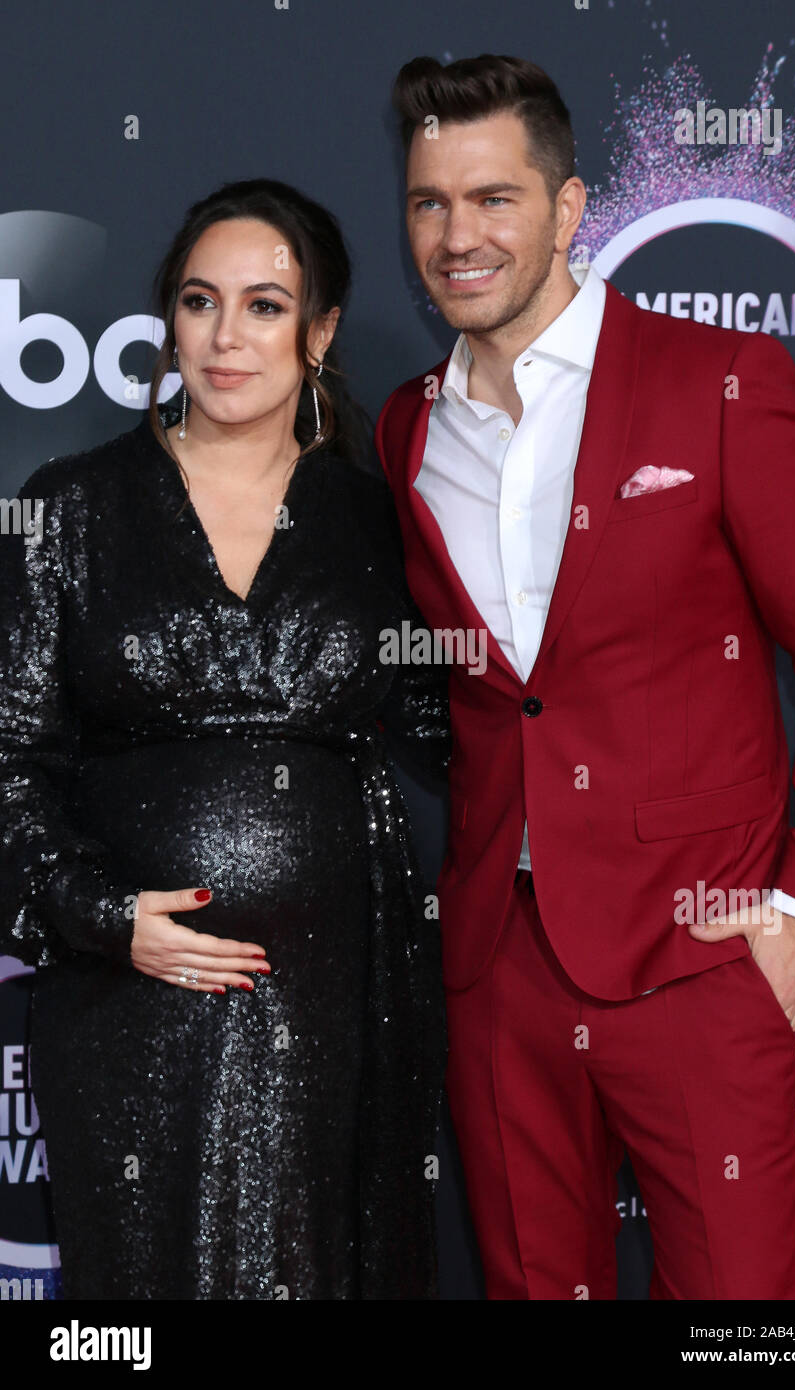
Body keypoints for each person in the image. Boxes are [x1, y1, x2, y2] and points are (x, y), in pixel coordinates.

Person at [375, 54, 795, 1299]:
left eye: (493, 199)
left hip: (700, 950)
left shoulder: (720, 381)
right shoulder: (406, 428)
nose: (457, 235)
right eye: (430, 202)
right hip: (497, 962)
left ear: (570, 205)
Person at [0, 178, 449, 1300]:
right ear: (169, 317)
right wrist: (103, 918)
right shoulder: (69, 508)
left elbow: (466, 725)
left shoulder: (376, 517)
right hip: (128, 1007)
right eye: (201, 302)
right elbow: (8, 758)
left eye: (263, 305)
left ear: (322, 330)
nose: (225, 336)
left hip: (336, 998)